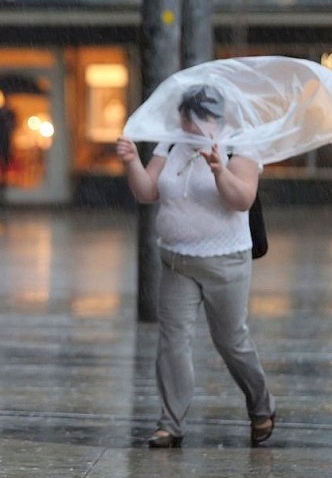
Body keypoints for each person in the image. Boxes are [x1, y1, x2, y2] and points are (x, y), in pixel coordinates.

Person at [116, 84, 275, 448]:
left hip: (226, 263)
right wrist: (131, 162)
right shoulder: (169, 144)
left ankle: (262, 406)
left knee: (231, 341)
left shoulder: (240, 145)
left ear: (219, 118)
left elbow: (242, 200)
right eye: (187, 118)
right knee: (172, 341)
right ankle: (170, 424)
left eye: (201, 118)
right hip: (177, 260)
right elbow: (147, 192)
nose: (192, 126)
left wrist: (219, 169)